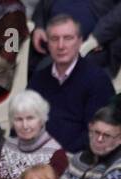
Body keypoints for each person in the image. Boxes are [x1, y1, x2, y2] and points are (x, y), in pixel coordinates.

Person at [27, 15, 115, 156]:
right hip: (36, 156)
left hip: (75, 160)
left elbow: (95, 134)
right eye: (54, 39)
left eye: (68, 38)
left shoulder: (98, 81)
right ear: (48, 43)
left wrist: (56, 156)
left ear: (80, 41)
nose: (61, 46)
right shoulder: (38, 79)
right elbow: (21, 119)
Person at [0, 90, 68, 179]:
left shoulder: (56, 154)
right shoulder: (8, 145)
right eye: (19, 119)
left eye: (30, 118)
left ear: (41, 120)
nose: (25, 125)